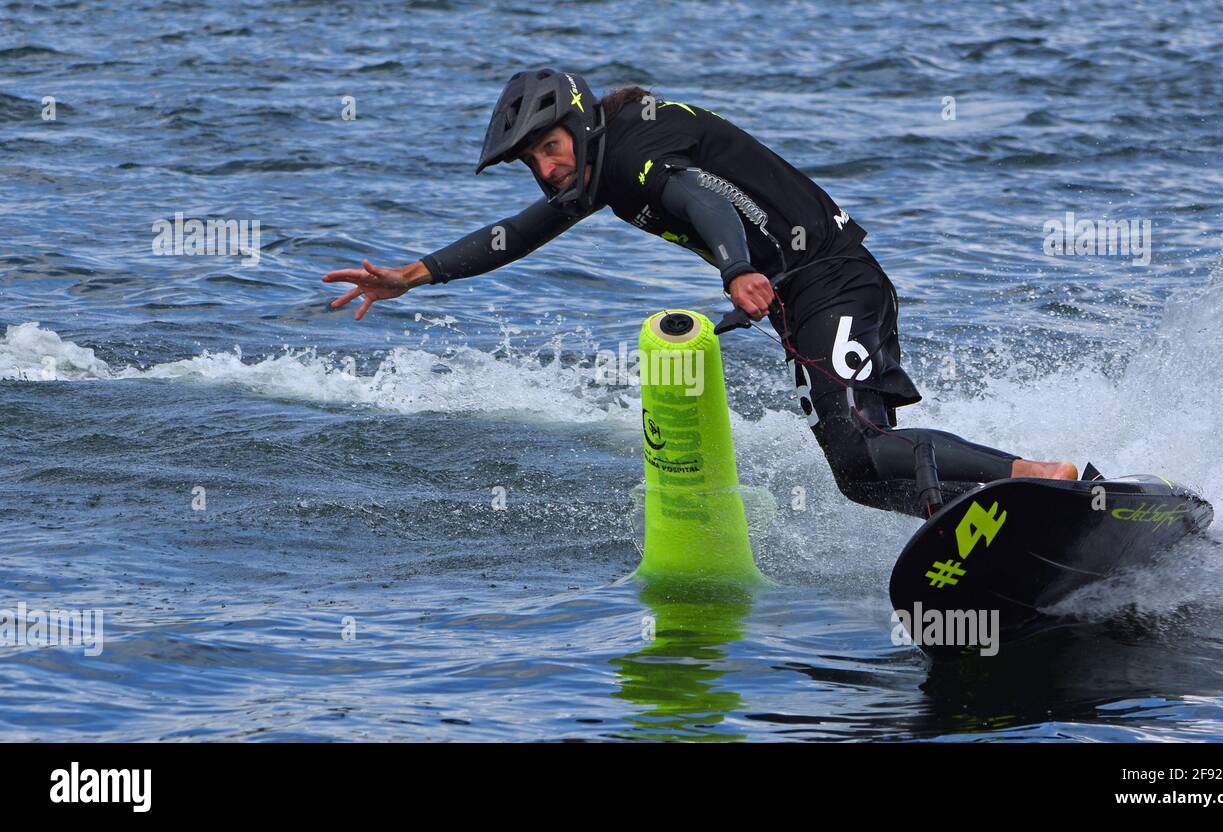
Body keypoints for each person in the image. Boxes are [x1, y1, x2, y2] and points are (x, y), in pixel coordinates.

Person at [323, 68, 1077, 519]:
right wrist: (412, 276)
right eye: (533, 163)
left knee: (868, 444)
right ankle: (981, 524)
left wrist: (733, 269)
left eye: (550, 150)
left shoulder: (636, 155)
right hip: (802, 297)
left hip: (829, 280)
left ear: (581, 128)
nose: (548, 173)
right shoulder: (602, 165)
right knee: (855, 474)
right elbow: (516, 235)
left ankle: (1038, 479)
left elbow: (702, 200)